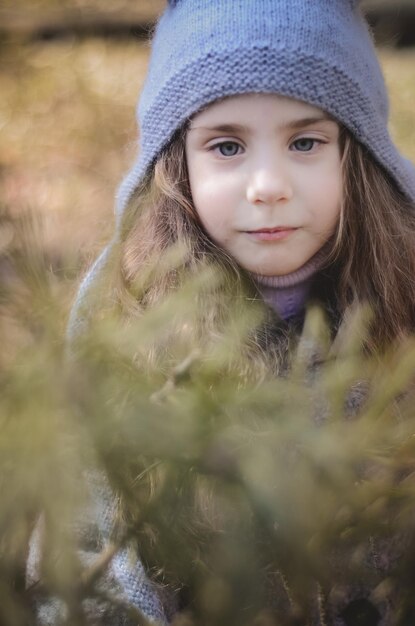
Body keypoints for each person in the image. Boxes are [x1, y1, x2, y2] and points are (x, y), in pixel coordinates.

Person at [62, 0, 415, 624]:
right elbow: (90, 538)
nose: (267, 184)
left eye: (305, 141)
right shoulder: (127, 316)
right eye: (226, 147)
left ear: (357, 154)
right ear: (176, 166)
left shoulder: (402, 304)